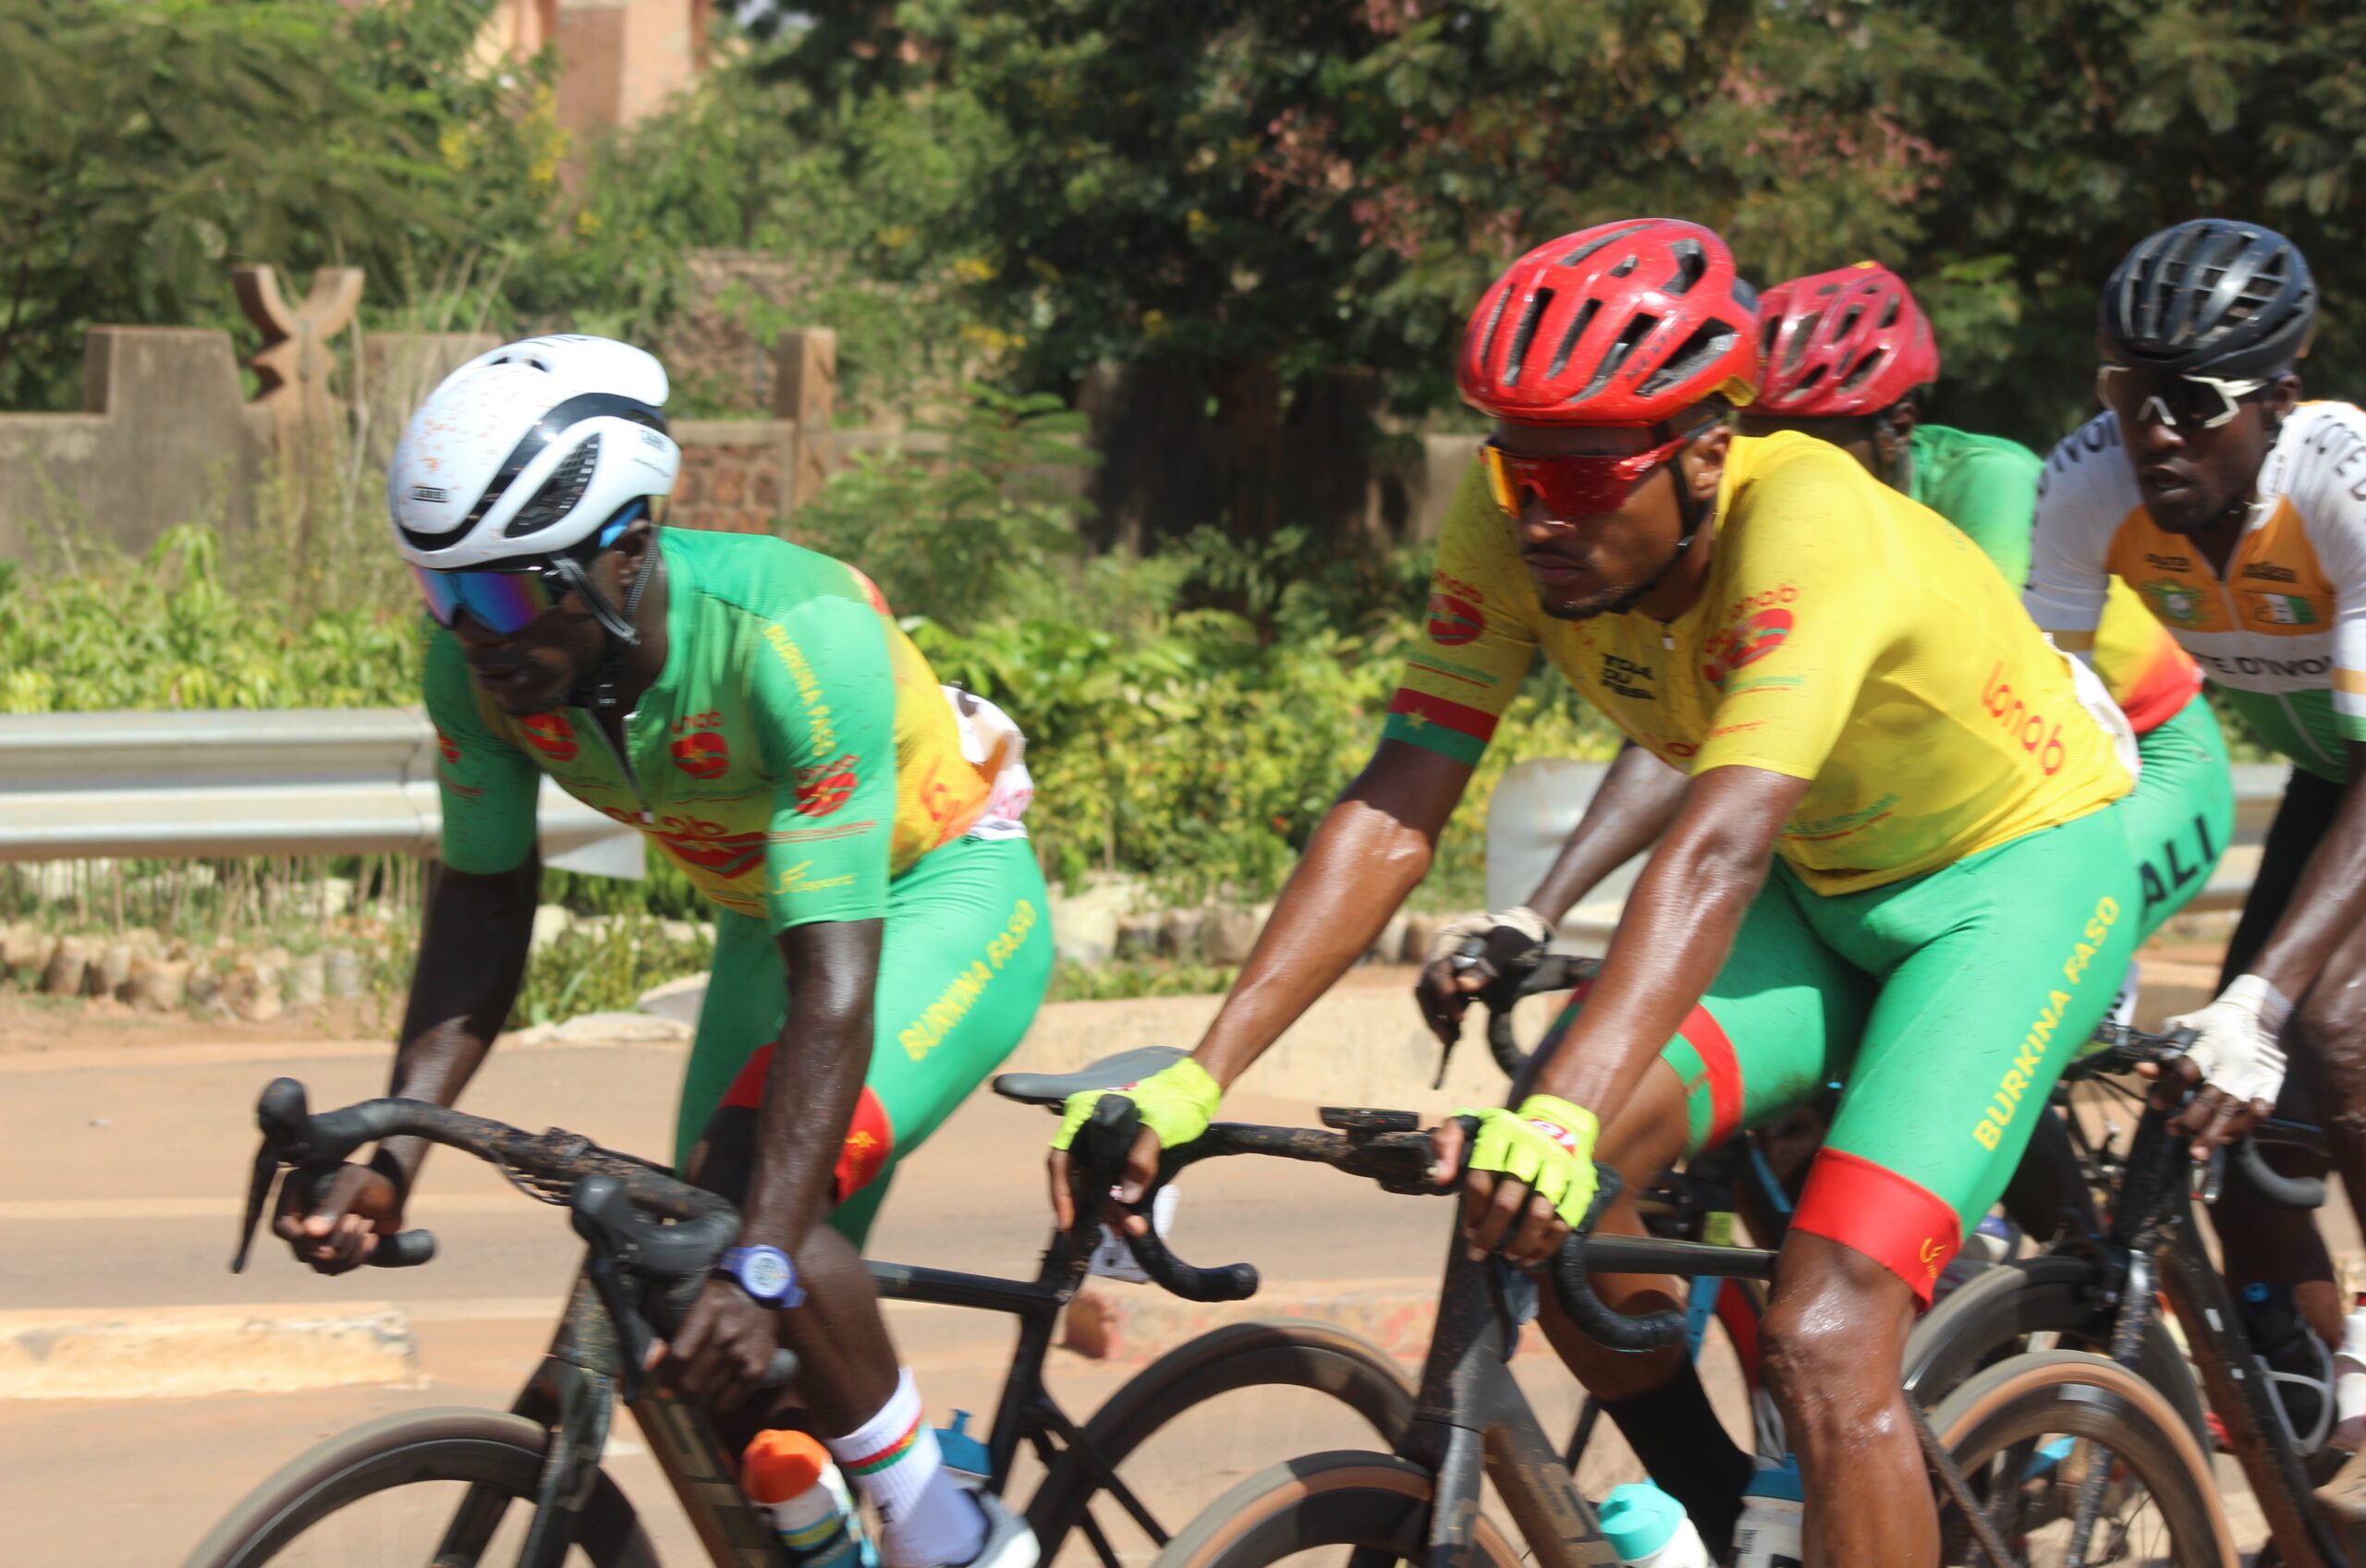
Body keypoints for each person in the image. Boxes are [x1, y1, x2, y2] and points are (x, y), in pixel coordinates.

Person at [1048, 218, 2141, 1565]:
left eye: (1588, 474)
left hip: (2010, 881)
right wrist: (1198, 1072)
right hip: (1828, 884)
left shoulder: (1808, 524)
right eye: (1517, 468)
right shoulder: (1518, 516)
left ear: (1700, 454)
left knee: (1826, 1326)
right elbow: (1400, 797)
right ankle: (1732, 1511)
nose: (1541, 510)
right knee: (1540, 1206)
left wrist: (1561, 1109)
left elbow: (1718, 845)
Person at [275, 335, 1048, 1568]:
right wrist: (392, 1147)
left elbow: (837, 989)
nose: (477, 636)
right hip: (773, 921)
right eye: (443, 593)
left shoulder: (796, 634)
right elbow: (483, 905)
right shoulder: (480, 674)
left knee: (747, 1225)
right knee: (675, 1295)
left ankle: (952, 1534)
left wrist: (759, 1254)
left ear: (624, 551)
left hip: (936, 899)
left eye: (508, 592)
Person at [1437, 261, 2230, 1033]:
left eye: (1809, 440)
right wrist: (1537, 910)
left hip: (2136, 761)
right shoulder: (1755, 524)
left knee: (1966, 1019)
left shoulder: (1989, 487)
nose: (1773, 467)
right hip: (1916, 806)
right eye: (1758, 438)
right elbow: (1694, 727)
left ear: (1898, 430)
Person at [2022, 219, 2366, 1512]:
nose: (2150, 428)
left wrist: (2266, 1002)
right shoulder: (2090, 483)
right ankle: (2300, 1370)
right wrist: (2072, 936)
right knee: (2220, 1106)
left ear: (2277, 399)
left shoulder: (2343, 484)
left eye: (2190, 399)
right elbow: (2044, 744)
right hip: (2341, 772)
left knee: (2319, 1024)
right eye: (2123, 389)